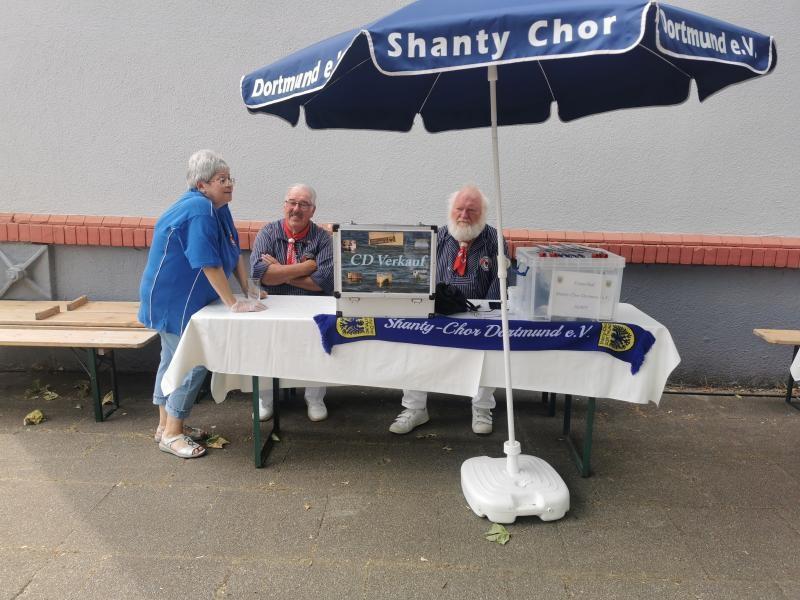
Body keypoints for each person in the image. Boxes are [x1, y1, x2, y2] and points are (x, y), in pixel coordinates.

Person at [138, 149, 265, 459]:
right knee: (192, 360)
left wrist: (247, 288)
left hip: (184, 298)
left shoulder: (218, 207)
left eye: (230, 178)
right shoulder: (198, 209)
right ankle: (172, 433)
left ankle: (166, 425)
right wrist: (233, 303)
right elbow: (207, 262)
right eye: (221, 179)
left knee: (172, 359)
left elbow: (232, 248)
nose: (229, 184)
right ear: (201, 185)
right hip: (173, 299)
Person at [389, 184, 509, 436]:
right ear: (450, 210)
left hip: (478, 313)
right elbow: (418, 276)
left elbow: (499, 285)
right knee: (413, 339)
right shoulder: (436, 237)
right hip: (438, 311)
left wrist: (484, 317)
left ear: (483, 213)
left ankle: (481, 407)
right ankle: (415, 408)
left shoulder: (495, 241)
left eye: (471, 210)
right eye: (459, 209)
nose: (464, 215)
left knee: (490, 342)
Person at [250, 183, 333, 422]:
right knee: (264, 342)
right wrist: (306, 267)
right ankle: (265, 399)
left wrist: (279, 270)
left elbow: (322, 282)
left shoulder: (323, 238)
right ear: (284, 205)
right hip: (272, 302)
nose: (296, 209)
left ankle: (314, 398)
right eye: (292, 203)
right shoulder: (268, 232)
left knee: (319, 339)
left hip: (312, 303)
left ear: (313, 210)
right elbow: (259, 275)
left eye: (303, 204)